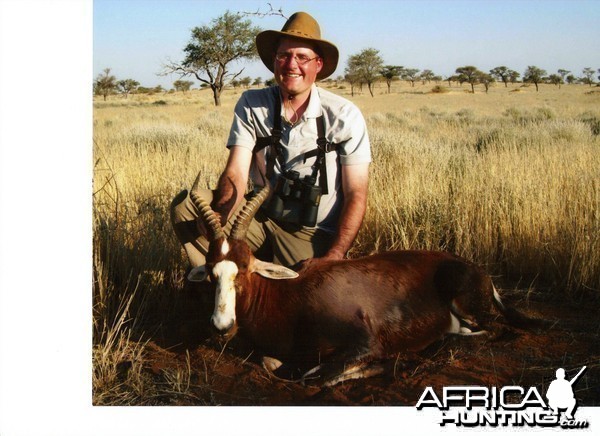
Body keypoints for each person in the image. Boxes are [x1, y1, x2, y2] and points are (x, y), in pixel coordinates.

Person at [171, 11, 371, 270]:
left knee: (300, 296)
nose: (291, 65)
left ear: (318, 65)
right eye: (284, 55)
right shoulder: (252, 103)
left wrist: (335, 255)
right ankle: (217, 284)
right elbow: (236, 173)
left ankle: (254, 272)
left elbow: (357, 193)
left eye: (302, 57)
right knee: (187, 208)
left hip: (309, 233)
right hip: (257, 218)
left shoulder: (344, 115)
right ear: (274, 61)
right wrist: (221, 215)